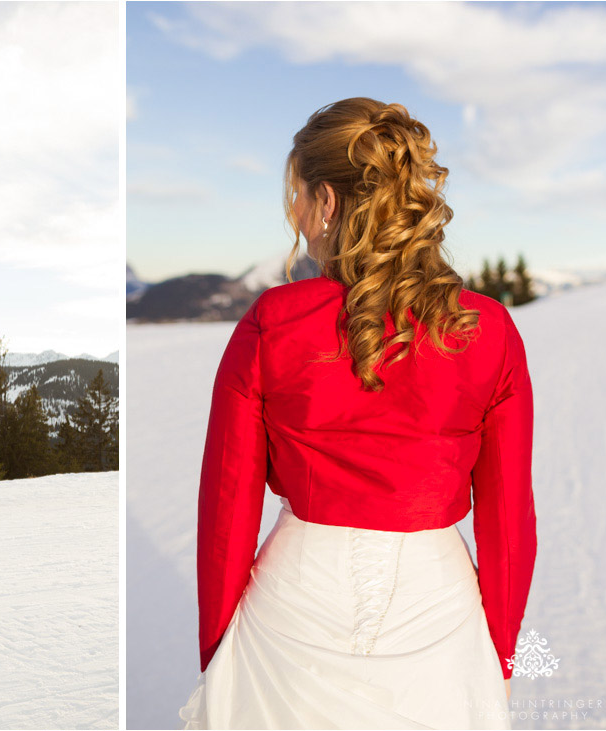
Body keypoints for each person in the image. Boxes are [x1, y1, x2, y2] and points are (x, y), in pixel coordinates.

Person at [180, 98, 536, 729]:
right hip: (438, 612)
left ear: (327, 202)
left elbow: (226, 506)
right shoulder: (490, 331)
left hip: (295, 612)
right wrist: (499, 657)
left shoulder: (272, 325)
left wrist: (219, 658)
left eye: (295, 194)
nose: (292, 214)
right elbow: (508, 524)